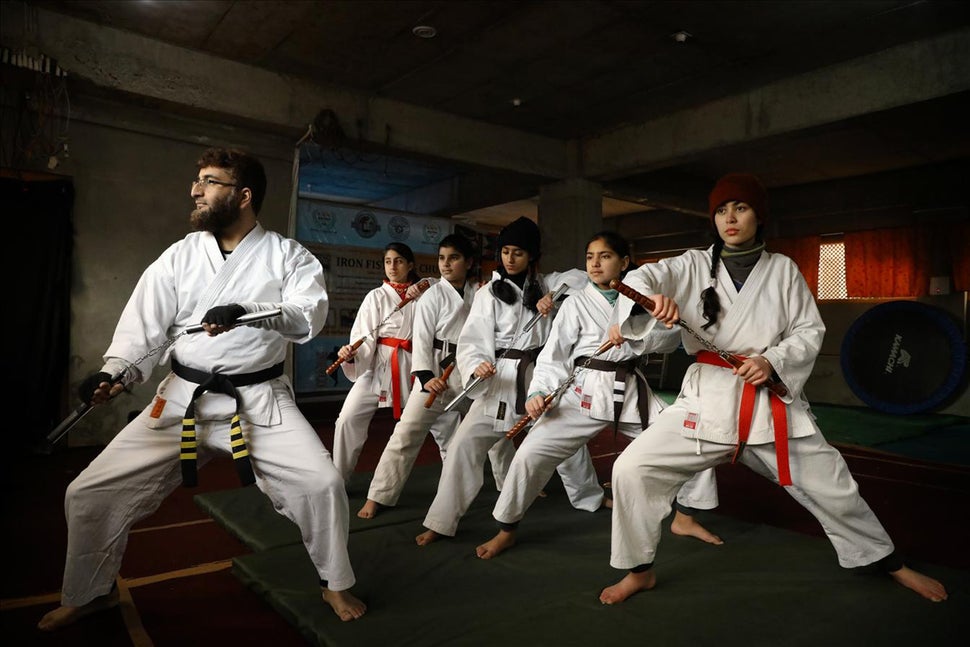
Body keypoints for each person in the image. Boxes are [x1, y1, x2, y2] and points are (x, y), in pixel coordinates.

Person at [38, 147, 366, 631]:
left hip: (258, 401)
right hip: (181, 398)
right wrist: (115, 373)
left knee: (324, 484)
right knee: (88, 491)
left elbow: (306, 316)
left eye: (210, 181)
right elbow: (145, 330)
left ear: (244, 195)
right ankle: (91, 591)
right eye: (199, 180)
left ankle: (335, 581)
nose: (196, 189)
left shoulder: (288, 256)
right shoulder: (180, 255)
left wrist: (248, 309)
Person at [599, 173, 948, 604]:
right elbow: (646, 277)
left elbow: (806, 330)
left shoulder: (783, 270)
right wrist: (653, 299)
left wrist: (771, 361)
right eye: (722, 210)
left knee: (833, 483)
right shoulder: (690, 264)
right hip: (705, 402)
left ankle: (889, 562)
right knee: (631, 469)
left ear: (759, 216)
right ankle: (640, 570)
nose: (730, 218)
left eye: (740, 208)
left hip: (767, 401)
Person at [476, 231, 722, 559]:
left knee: (692, 439)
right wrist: (539, 391)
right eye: (590, 257)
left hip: (630, 389)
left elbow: (667, 342)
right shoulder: (576, 302)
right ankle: (506, 528)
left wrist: (640, 333)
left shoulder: (642, 298)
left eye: (604, 256)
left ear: (623, 262)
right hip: (582, 391)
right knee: (529, 454)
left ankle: (686, 516)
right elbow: (555, 355)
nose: (595, 263)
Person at [416, 216, 594, 546]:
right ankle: (441, 521)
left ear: (532, 257)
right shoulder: (487, 293)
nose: (510, 259)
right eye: (506, 252)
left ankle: (590, 496)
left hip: (539, 375)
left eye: (519, 253)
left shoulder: (546, 283)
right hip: (498, 379)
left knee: (566, 441)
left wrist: (554, 294)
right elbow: (472, 340)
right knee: (462, 446)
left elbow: (582, 278)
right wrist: (477, 365)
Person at [357, 234, 512, 519]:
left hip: (473, 371)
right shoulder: (431, 294)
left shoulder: (482, 292)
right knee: (406, 434)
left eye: (453, 258)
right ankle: (379, 495)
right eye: (441, 258)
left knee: (497, 428)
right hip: (438, 371)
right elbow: (422, 338)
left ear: (469, 262)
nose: (445, 264)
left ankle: (509, 485)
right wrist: (426, 376)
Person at [331, 242, 451, 482]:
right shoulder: (375, 296)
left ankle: (454, 478)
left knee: (446, 422)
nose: (392, 266)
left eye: (398, 261)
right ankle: (338, 480)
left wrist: (423, 284)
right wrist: (352, 354)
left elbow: (446, 285)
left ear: (410, 265)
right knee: (346, 419)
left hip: (419, 367)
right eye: (388, 261)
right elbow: (363, 337)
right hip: (379, 365)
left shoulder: (427, 291)